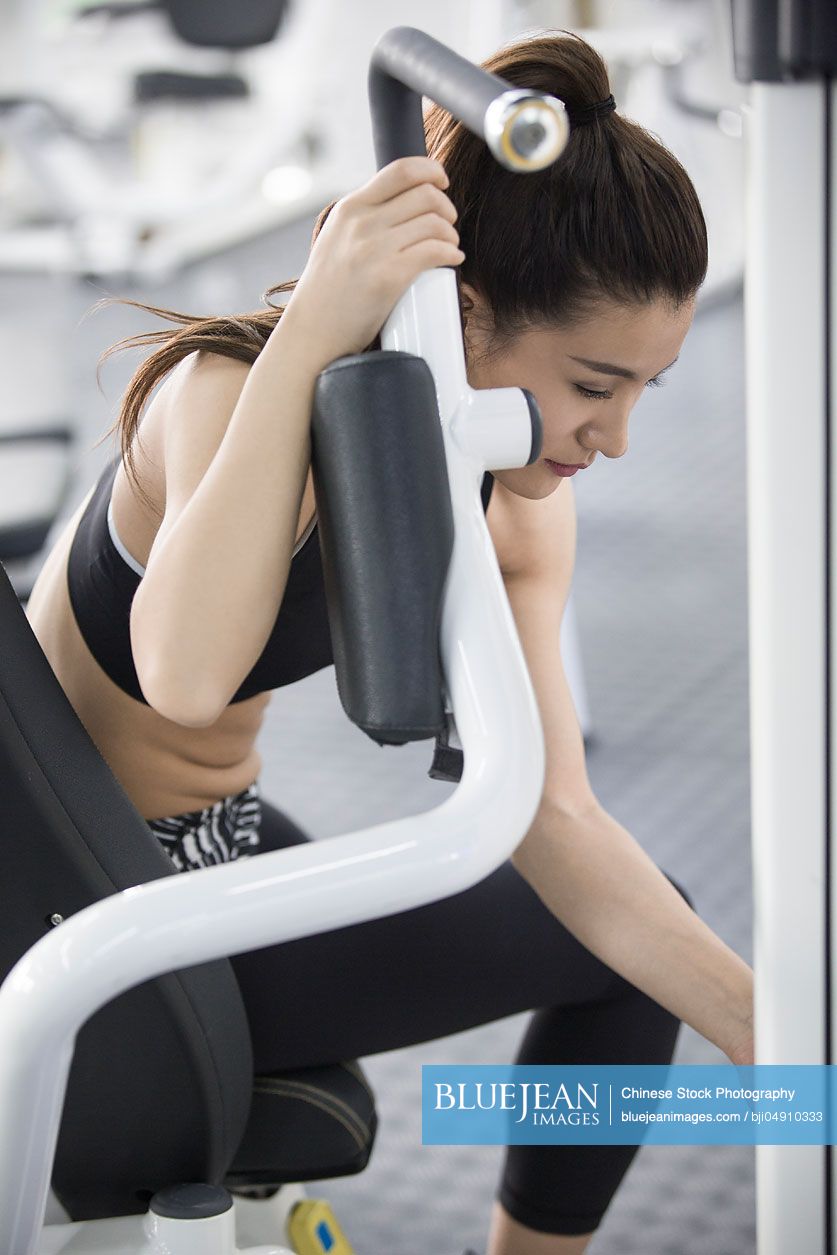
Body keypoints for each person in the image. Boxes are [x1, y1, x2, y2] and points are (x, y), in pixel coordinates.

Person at [25, 28, 753, 1255]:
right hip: (76, 906)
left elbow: (552, 816)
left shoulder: (518, 497)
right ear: (461, 315)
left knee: (644, 936)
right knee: (628, 954)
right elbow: (186, 677)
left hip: (212, 848)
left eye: (644, 392)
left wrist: (776, 1035)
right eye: (590, 385)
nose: (613, 436)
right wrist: (320, 320)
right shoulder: (225, 392)